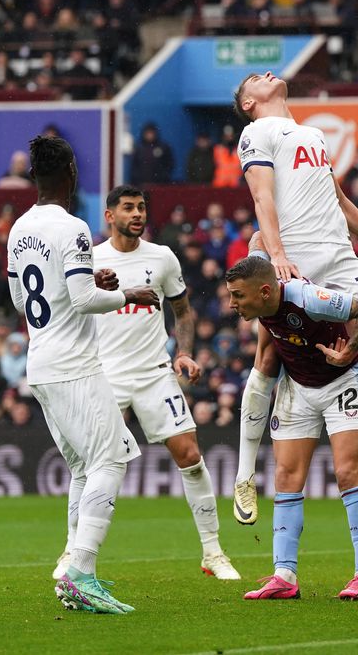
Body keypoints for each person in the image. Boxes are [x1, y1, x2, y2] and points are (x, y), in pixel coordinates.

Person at [230, 70, 358, 524]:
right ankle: (243, 476)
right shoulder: (255, 132)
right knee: (269, 360)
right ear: (248, 104)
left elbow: (338, 200)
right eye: (254, 79)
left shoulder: (312, 133)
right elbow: (262, 197)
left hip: (338, 257)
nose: (267, 74)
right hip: (293, 254)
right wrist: (276, 255)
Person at [7, 135, 159, 615]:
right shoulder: (72, 227)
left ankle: (73, 569)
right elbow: (82, 301)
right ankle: (81, 573)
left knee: (81, 467)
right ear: (71, 172)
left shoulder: (18, 228)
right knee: (110, 461)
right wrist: (130, 294)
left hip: (42, 362)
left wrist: (87, 282)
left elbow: (20, 299)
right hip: (74, 364)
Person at [86, 185, 240, 580]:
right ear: (109, 216)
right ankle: (75, 551)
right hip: (106, 375)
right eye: (128, 208)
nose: (137, 214)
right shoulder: (90, 260)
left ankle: (213, 551)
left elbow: (183, 312)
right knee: (97, 464)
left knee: (189, 454)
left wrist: (183, 352)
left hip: (154, 373)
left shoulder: (162, 258)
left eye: (141, 208)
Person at [225, 255, 358, 600]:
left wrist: (349, 352)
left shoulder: (308, 298)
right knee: (286, 478)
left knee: (347, 474)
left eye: (238, 296)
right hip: (297, 389)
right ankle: (284, 575)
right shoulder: (264, 309)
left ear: (265, 291)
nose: (232, 304)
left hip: (341, 383)